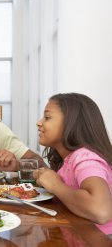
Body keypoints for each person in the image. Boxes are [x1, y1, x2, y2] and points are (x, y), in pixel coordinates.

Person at [34, 93, 112, 235]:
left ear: (72, 123)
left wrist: (55, 185)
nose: (39, 122)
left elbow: (101, 211)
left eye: (47, 117)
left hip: (99, 239)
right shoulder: (68, 159)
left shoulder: (85, 158)